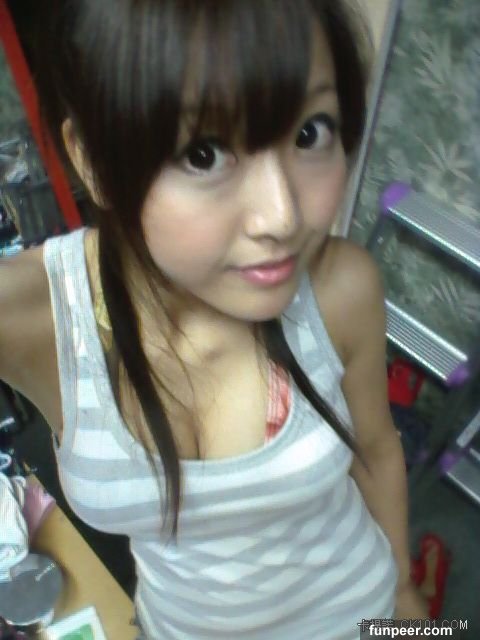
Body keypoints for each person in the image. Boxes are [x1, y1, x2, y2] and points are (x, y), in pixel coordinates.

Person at [0, 1, 428, 638]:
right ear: (91, 161)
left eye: (310, 132)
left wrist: (404, 591)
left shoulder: (341, 287)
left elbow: (377, 447)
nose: (283, 217)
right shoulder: (34, 315)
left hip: (361, 613)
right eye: (202, 153)